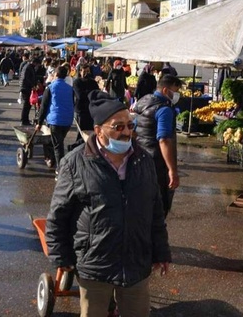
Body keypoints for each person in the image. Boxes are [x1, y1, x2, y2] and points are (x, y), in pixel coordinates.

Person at [46, 91, 171, 316]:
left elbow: (155, 211)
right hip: (95, 265)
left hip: (136, 263)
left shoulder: (144, 161)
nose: (126, 132)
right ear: (98, 131)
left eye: (130, 126)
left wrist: (161, 251)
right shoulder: (75, 163)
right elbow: (58, 214)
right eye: (118, 127)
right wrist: (60, 256)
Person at [133, 74, 183, 217]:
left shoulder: (144, 102)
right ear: (166, 90)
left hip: (140, 159)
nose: (177, 95)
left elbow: (134, 131)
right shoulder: (164, 110)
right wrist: (172, 170)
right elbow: (164, 140)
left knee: (142, 205)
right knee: (159, 208)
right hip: (157, 163)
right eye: (176, 90)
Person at [36, 66, 75, 175]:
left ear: (56, 75)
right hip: (67, 120)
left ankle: (60, 169)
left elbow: (43, 106)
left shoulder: (50, 87)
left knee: (58, 146)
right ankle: (57, 162)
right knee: (59, 142)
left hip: (55, 120)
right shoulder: (70, 88)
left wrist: (39, 122)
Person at [72, 64, 99, 132]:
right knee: (81, 132)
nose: (86, 73)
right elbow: (80, 95)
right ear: (80, 72)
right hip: (81, 111)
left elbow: (97, 94)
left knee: (90, 131)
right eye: (84, 71)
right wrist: (90, 92)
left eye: (88, 71)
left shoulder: (93, 82)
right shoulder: (77, 82)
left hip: (91, 110)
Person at [19, 57, 39, 126]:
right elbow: (26, 78)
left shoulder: (29, 66)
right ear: (35, 63)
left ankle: (25, 120)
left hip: (26, 87)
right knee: (26, 105)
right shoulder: (28, 67)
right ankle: (24, 120)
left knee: (28, 105)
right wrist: (32, 85)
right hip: (25, 88)